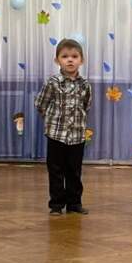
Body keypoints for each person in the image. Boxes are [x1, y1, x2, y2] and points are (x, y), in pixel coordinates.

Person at [35, 39, 92, 215]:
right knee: (56, 170)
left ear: (81, 60)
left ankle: (74, 204)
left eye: (74, 56)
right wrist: (51, 120)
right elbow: (41, 103)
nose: (70, 60)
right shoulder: (52, 82)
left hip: (77, 136)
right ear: (57, 60)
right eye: (65, 56)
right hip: (56, 135)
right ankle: (56, 204)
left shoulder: (85, 84)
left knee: (74, 171)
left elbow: (86, 105)